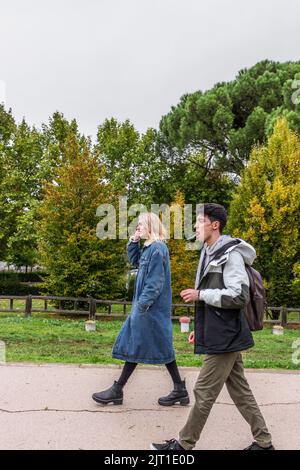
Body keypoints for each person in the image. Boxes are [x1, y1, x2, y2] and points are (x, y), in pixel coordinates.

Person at [151, 203, 274, 450]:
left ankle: (183, 445)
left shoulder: (232, 255)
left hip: (227, 336)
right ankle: (264, 442)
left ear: (214, 225)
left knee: (203, 391)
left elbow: (238, 296)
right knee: (240, 391)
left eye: (199, 221)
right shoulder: (209, 252)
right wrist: (202, 326)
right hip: (221, 331)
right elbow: (215, 298)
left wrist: (200, 294)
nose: (195, 226)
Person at [92, 212, 189, 407]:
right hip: (146, 307)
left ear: (151, 227)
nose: (138, 228)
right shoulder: (148, 249)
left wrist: (142, 306)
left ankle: (118, 389)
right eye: (137, 226)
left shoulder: (158, 249)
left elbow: (155, 282)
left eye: (141, 226)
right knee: (151, 345)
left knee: (138, 344)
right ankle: (179, 389)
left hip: (149, 308)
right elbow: (135, 262)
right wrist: (133, 241)